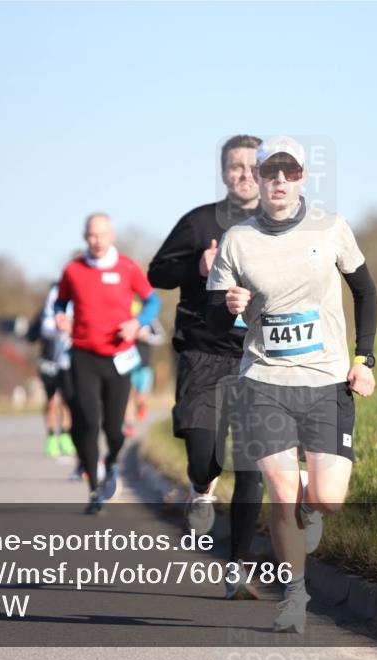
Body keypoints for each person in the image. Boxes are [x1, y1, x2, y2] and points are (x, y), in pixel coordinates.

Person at [206, 136, 377, 632]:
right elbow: (215, 321)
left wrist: (364, 359)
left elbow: (365, 291)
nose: (280, 180)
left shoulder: (332, 227)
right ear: (258, 178)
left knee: (328, 499)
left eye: (290, 171)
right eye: (270, 171)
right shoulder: (237, 240)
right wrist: (229, 308)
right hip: (263, 380)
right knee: (281, 495)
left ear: (303, 176)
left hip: (326, 379)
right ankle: (295, 596)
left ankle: (312, 499)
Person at [147, 134, 266, 600]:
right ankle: (201, 487)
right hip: (203, 354)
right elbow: (157, 272)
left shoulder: (278, 223)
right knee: (204, 455)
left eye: (252, 166)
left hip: (258, 356)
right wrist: (197, 267)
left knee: (252, 467)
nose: (244, 174)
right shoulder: (199, 222)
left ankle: (237, 568)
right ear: (223, 172)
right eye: (235, 166)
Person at [55, 213, 160, 514]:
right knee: (87, 422)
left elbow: (153, 301)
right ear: (84, 237)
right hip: (83, 355)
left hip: (118, 356)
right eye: (91, 235)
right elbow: (61, 301)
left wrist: (137, 322)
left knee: (114, 429)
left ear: (112, 235)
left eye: (102, 234)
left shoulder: (128, 267)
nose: (97, 240)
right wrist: (60, 315)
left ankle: (112, 461)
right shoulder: (73, 270)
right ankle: (94, 490)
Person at [28, 282, 76, 459]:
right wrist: (50, 327)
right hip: (48, 361)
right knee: (51, 401)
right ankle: (50, 436)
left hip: (69, 361)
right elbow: (31, 335)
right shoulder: (45, 313)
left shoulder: (77, 308)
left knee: (67, 400)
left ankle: (64, 434)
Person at [125, 301, 165, 437]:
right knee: (129, 395)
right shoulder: (124, 319)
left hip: (145, 364)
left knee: (140, 397)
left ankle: (141, 407)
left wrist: (146, 337)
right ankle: (129, 426)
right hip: (128, 364)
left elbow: (161, 337)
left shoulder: (149, 319)